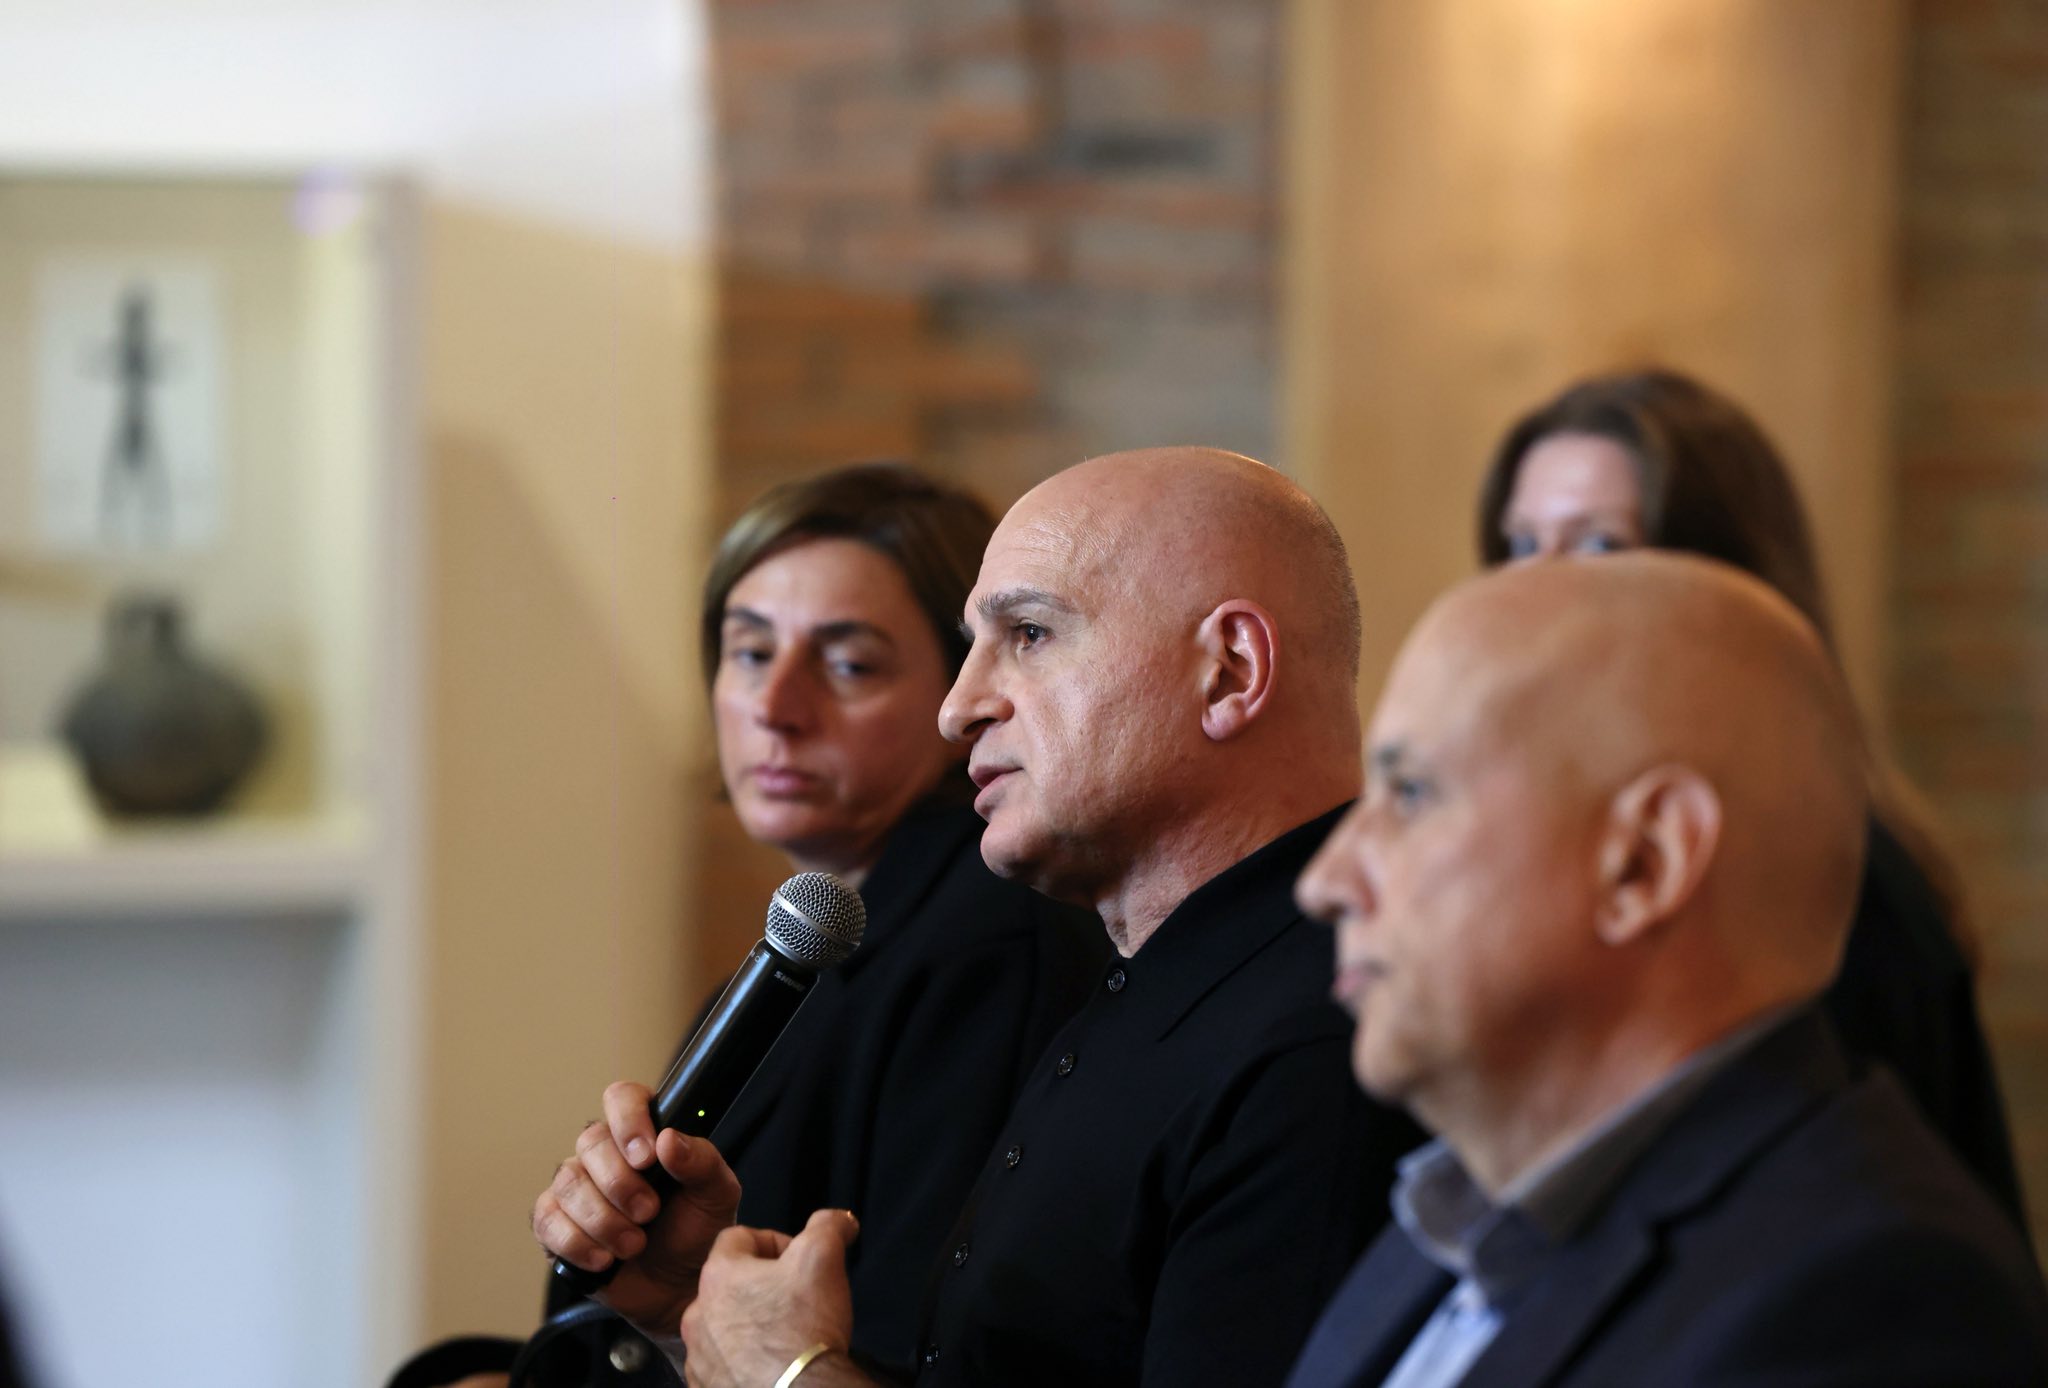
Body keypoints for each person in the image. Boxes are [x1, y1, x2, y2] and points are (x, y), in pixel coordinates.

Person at [541, 448, 1426, 1388]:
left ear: (1230, 670)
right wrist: (695, 1320)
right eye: (972, 645)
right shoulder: (1150, 986)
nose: (958, 708)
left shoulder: (1334, 1031)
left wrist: (788, 1375)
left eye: (1030, 634)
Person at [403, 464, 1104, 1388]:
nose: (775, 709)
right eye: (749, 651)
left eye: (849, 665)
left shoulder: (985, 949)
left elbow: (912, 1350)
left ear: (960, 689)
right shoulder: (816, 936)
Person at [1286, 554, 2048, 1387]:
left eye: (1411, 794)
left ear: (1645, 864)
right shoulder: (1446, 1222)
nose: (1325, 883)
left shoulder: (1871, 1300)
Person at [1473, 367, 2025, 1223]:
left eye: (1597, 546)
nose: (1534, 589)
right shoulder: (1557, 837)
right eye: (1520, 544)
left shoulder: (1835, 879)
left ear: (1725, 580)